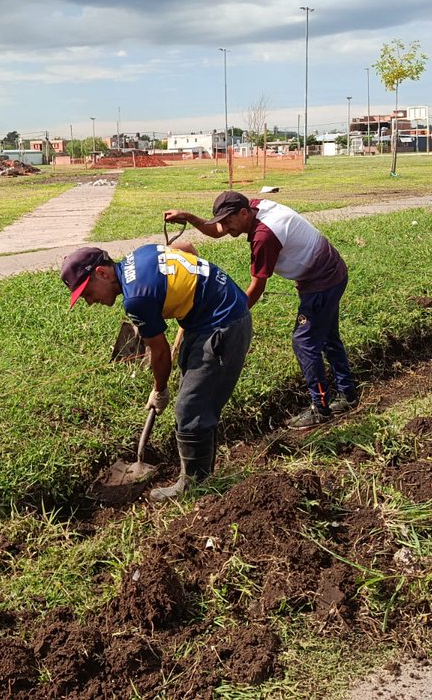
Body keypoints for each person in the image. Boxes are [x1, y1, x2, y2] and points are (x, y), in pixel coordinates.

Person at [61, 242, 252, 500]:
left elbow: (160, 354)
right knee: (195, 397)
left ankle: (195, 486)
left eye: (87, 293)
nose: (89, 302)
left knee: (190, 408)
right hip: (208, 318)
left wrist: (159, 390)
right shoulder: (141, 255)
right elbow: (185, 247)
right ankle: (202, 473)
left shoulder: (136, 299)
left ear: (102, 273)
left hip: (223, 325)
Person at [165, 191, 356, 430]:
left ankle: (321, 407)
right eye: (221, 221)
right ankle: (347, 394)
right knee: (326, 337)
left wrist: (231, 317)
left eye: (227, 221)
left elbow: (256, 288)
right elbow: (216, 231)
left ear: (244, 213)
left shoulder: (264, 236)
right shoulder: (252, 208)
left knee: (304, 342)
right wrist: (189, 217)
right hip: (328, 273)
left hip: (322, 281)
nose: (224, 227)